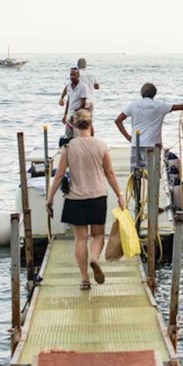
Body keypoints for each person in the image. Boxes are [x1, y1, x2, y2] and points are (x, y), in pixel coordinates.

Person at [46, 109, 125, 290]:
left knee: (80, 239)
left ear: (73, 126)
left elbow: (58, 176)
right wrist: (120, 196)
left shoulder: (68, 148)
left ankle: (84, 279)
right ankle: (94, 259)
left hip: (75, 199)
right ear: (91, 124)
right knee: (98, 235)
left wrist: (49, 199)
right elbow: (110, 173)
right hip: (97, 196)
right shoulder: (101, 145)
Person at [115, 83, 183, 168]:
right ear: (154, 94)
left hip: (136, 144)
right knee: (152, 174)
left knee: (135, 173)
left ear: (141, 93)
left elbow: (118, 121)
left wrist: (128, 137)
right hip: (153, 145)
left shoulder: (133, 105)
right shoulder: (160, 106)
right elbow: (180, 106)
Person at [61, 66, 93, 138]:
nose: (72, 77)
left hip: (77, 117)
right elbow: (69, 101)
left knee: (77, 138)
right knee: (68, 137)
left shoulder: (83, 87)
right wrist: (65, 115)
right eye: (71, 75)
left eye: (74, 75)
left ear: (78, 75)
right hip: (70, 116)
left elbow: (83, 104)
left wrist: (75, 114)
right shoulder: (68, 85)